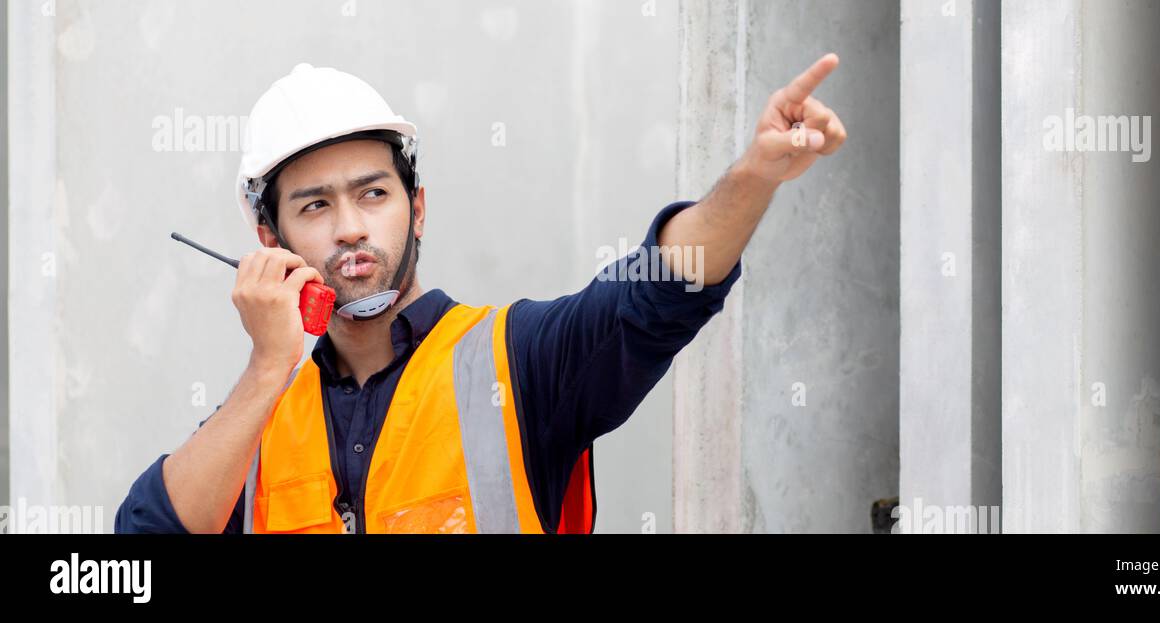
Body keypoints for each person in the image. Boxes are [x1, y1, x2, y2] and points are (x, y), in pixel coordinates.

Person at [116, 56, 847, 533]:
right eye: (314, 207)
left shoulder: (519, 360)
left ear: (418, 206)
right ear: (269, 239)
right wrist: (268, 368)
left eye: (373, 194)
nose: (349, 229)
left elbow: (657, 293)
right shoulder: (257, 417)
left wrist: (753, 176)